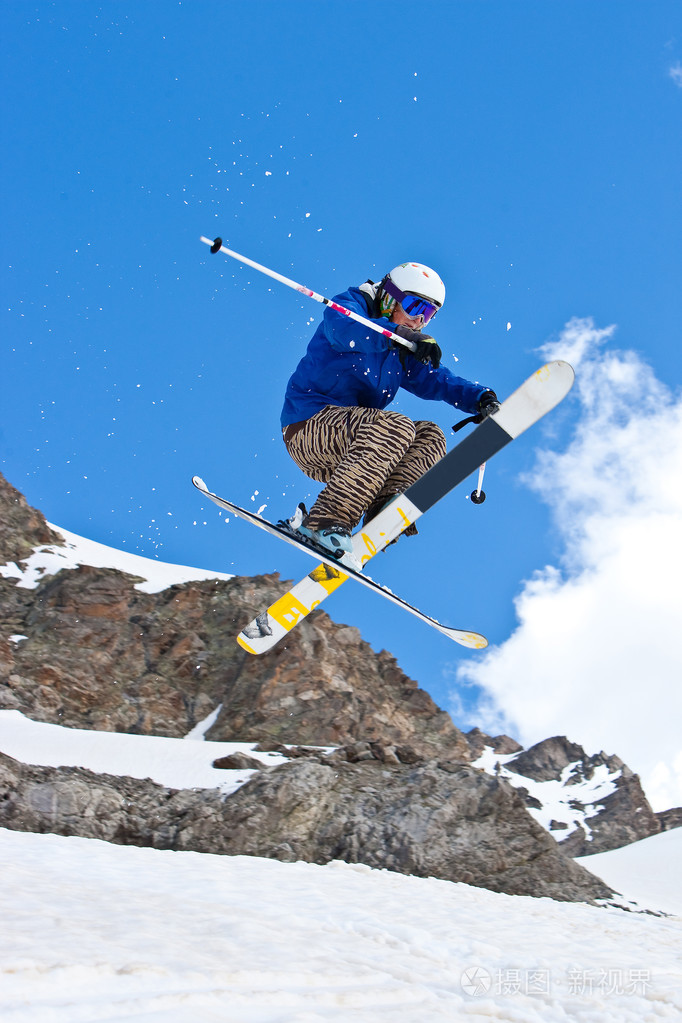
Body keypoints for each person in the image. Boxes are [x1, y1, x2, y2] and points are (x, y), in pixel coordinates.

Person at [280, 261, 498, 557]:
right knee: (397, 426)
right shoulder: (353, 307)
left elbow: (438, 379)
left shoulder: (400, 350)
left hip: (360, 454)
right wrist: (399, 335)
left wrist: (479, 398)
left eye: (429, 313)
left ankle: (385, 512)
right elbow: (343, 327)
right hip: (308, 428)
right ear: (388, 297)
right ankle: (325, 523)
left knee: (430, 436)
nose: (419, 319)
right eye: (413, 306)